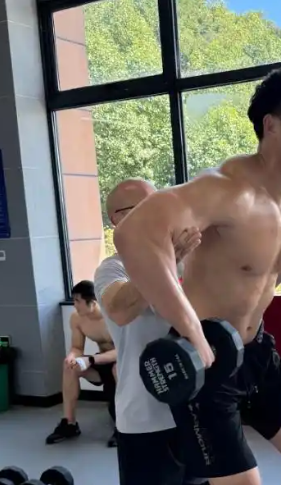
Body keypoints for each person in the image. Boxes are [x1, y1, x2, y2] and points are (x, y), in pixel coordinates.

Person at [113, 65, 281, 485]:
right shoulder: (225, 189)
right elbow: (134, 234)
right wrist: (190, 327)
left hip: (257, 351)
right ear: (271, 125)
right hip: (207, 362)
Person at [95, 178, 203, 485]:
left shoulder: (188, 259)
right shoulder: (112, 269)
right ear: (117, 220)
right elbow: (119, 310)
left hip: (196, 411)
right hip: (145, 419)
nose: (157, 214)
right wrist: (166, 262)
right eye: (144, 208)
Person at [46, 280, 118, 448]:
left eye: (78, 301)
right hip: (101, 361)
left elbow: (123, 350)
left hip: (122, 362)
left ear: (92, 302)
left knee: (118, 368)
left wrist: (90, 360)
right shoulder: (77, 319)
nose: (74, 305)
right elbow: (77, 347)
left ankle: (123, 427)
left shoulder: (114, 317)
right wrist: (72, 357)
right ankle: (69, 423)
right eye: (73, 300)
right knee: (69, 367)